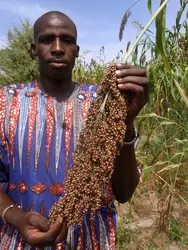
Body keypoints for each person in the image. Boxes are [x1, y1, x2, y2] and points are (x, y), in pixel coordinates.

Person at [0, 11, 149, 250]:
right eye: (47, 39)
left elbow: (123, 193)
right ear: (33, 49)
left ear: (77, 50)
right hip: (18, 241)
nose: (58, 48)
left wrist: (126, 123)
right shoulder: (5, 102)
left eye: (67, 40)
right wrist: (16, 217)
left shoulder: (104, 103)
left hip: (91, 242)